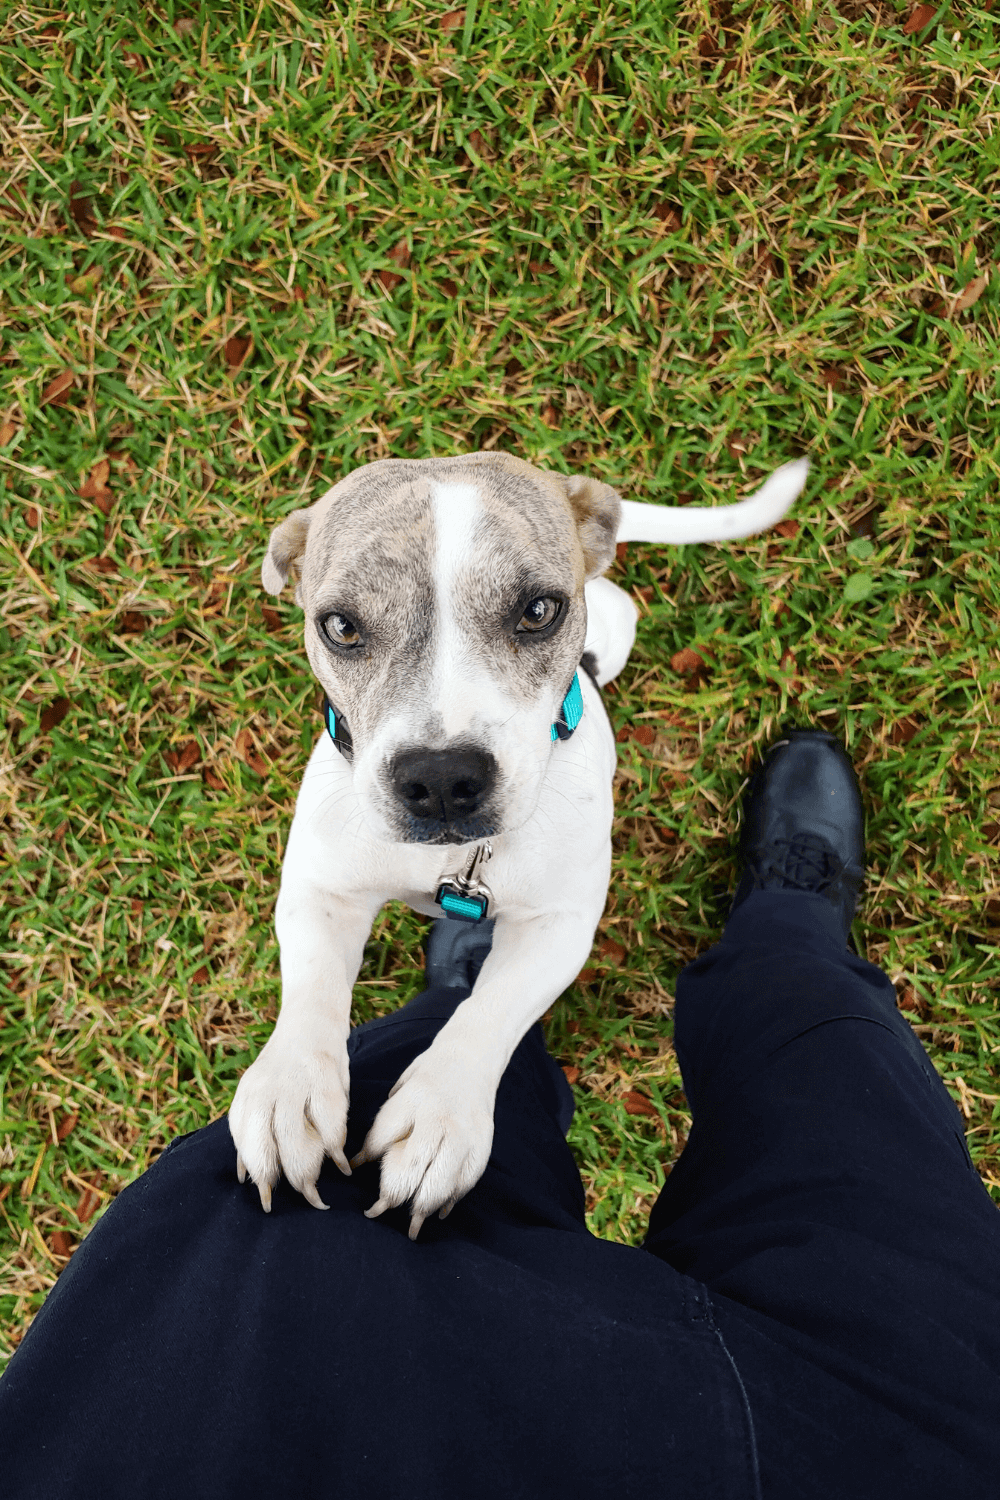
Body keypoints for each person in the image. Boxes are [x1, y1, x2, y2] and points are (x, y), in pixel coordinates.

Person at [1, 729, 998, 1498]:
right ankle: (790, 928)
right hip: (871, 1443)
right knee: (832, 1089)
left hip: (288, 1393)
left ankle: (468, 1009)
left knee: (332, 1169)